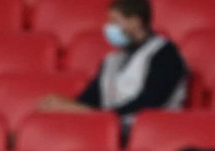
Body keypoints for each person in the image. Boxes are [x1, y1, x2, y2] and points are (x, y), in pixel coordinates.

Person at [38, 0, 187, 132]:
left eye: (115, 22)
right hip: (107, 128)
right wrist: (64, 105)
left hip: (148, 132)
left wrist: (93, 114)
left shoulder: (166, 54)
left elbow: (150, 103)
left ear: (135, 22)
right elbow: (91, 99)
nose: (109, 28)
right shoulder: (112, 60)